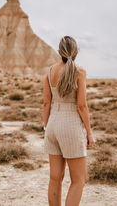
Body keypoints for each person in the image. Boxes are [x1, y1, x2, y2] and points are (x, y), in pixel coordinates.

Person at [43, 35, 94, 206]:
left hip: (52, 125)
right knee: (79, 179)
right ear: (76, 51)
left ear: (60, 52)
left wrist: (46, 127)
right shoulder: (79, 72)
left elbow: (46, 103)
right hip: (71, 125)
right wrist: (89, 132)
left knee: (54, 178)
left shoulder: (50, 72)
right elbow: (81, 106)